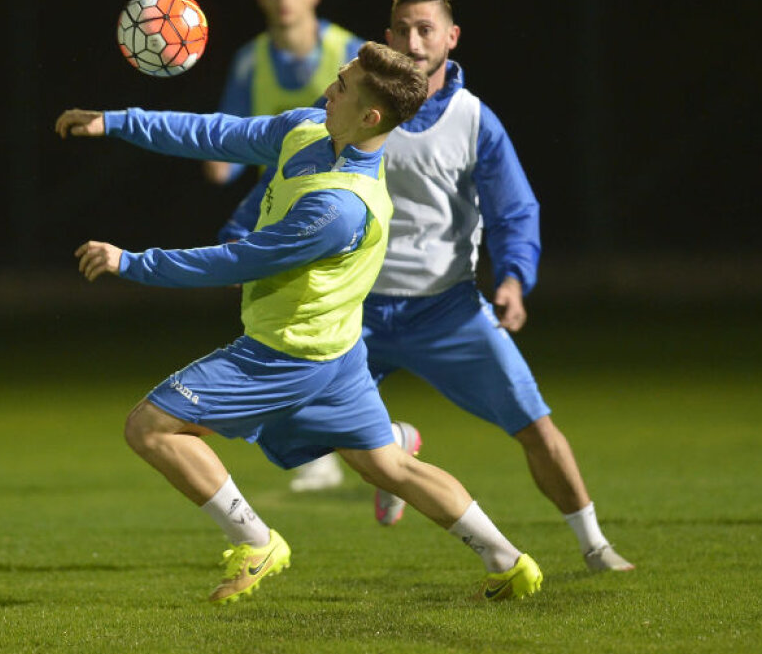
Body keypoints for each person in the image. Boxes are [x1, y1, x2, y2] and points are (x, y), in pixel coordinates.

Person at [54, 41, 543, 604]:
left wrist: (131, 262)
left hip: (287, 355)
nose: (328, 91)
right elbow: (217, 133)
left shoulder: (339, 209)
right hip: (339, 352)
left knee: (151, 427)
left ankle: (256, 541)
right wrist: (117, 121)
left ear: (370, 117)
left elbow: (238, 260)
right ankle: (509, 561)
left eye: (342, 87)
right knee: (390, 467)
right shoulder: (308, 129)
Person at [220, 0, 635, 574]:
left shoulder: (474, 120)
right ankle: (391, 442)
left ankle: (596, 547)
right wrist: (240, 234)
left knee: (535, 426)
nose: (414, 42)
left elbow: (514, 210)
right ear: (387, 37)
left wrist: (514, 279)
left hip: (447, 309)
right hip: (353, 309)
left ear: (451, 37)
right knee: (290, 424)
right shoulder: (354, 107)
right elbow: (287, 172)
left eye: (426, 29)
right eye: (403, 30)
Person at [203, 0, 364, 493]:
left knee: (313, 339)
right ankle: (360, 445)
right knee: (289, 337)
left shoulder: (350, 53)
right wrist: (218, 161)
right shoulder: (250, 61)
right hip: (277, 224)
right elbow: (227, 143)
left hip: (343, 221)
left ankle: (355, 444)